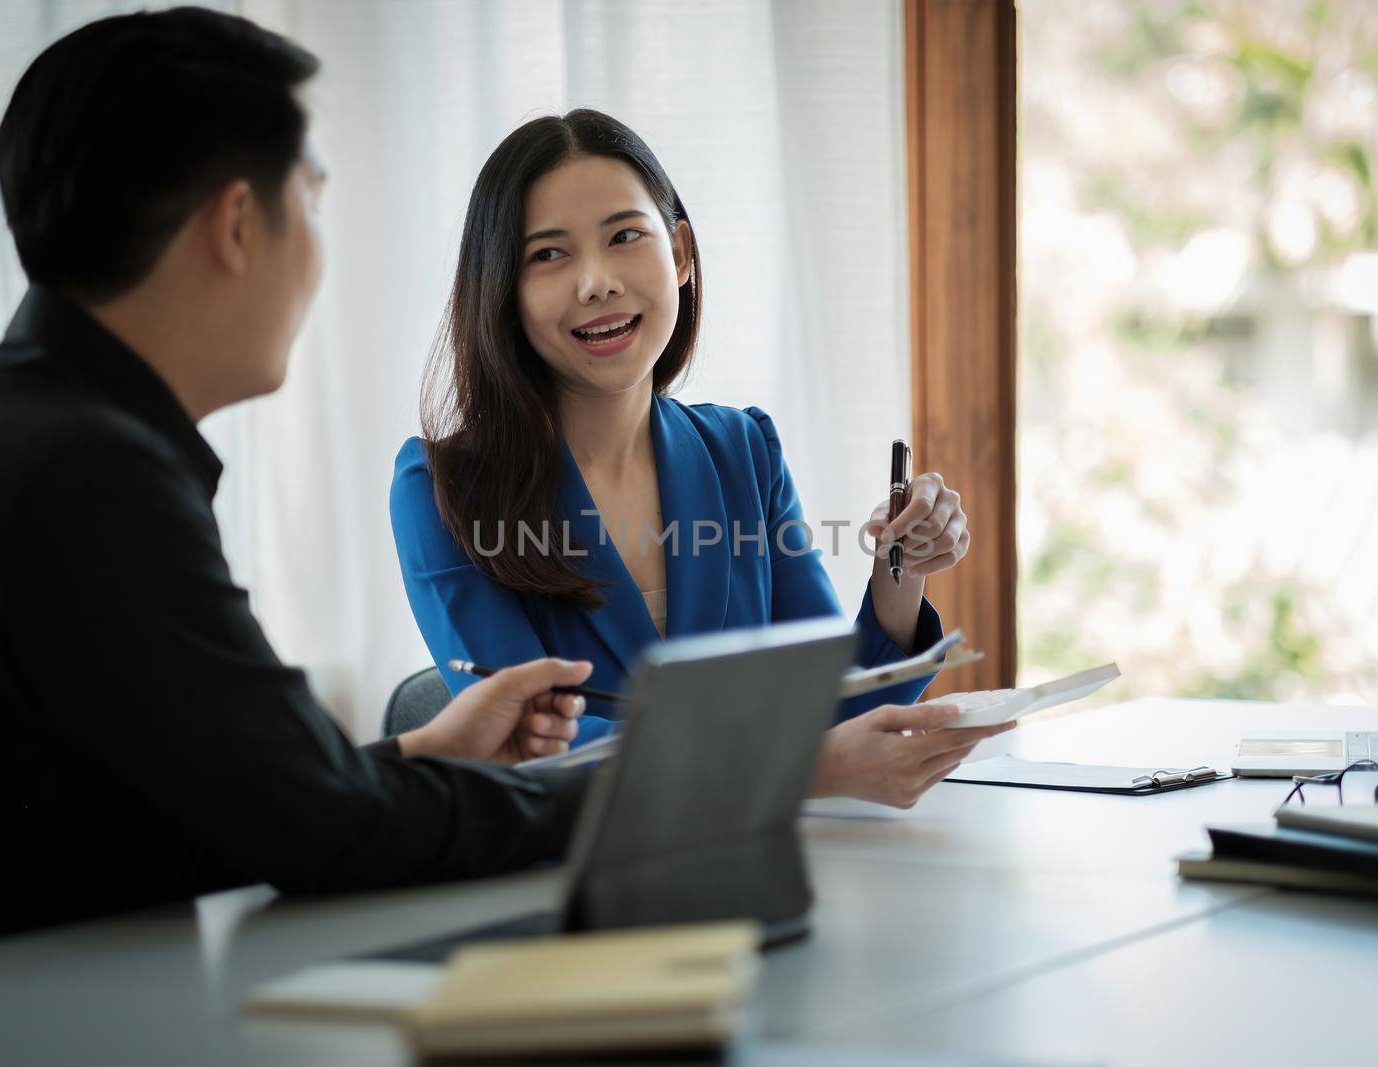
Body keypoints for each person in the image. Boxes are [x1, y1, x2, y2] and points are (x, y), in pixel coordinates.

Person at [0, 8, 586, 957]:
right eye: (309, 200)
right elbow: (329, 836)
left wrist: (423, 753)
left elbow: (197, 813)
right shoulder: (86, 478)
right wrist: (669, 789)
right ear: (234, 224)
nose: (316, 248)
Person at [390, 110, 1010, 809]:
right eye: (549, 255)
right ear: (505, 291)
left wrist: (898, 578)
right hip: (570, 891)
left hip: (760, 869)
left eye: (625, 236)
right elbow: (535, 755)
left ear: (679, 253)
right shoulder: (442, 490)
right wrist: (803, 770)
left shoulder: (742, 450)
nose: (597, 281)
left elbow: (826, 711)